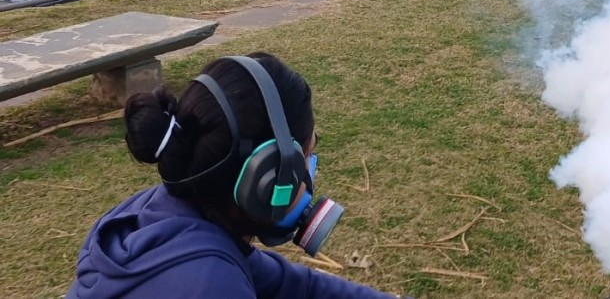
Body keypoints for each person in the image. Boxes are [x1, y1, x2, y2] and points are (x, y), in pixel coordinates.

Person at [67, 52, 399, 298]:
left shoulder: (165, 219)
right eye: (307, 155)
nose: (310, 170)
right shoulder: (210, 283)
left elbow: (295, 286)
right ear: (269, 177)